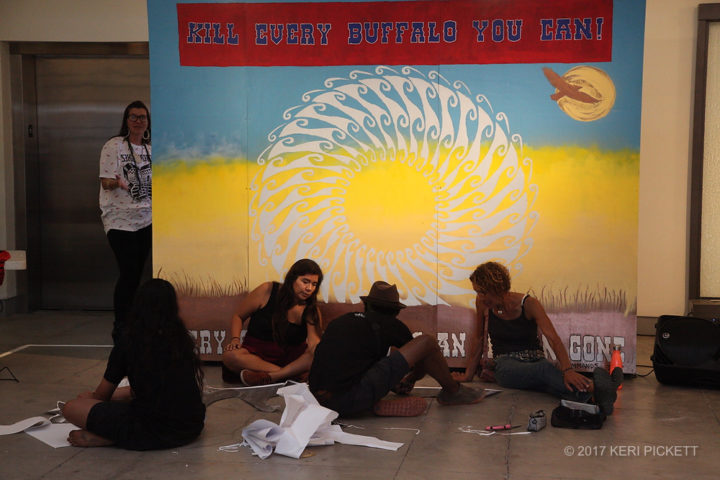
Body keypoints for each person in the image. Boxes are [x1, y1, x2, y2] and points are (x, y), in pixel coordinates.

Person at [457, 261, 622, 414]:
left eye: (483, 292)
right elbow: (479, 339)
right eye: (478, 292)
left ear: (497, 288)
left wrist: (568, 370)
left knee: (547, 382)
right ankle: (595, 387)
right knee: (545, 371)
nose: (480, 296)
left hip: (535, 359)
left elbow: (553, 338)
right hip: (506, 366)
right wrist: (468, 375)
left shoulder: (529, 304)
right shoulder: (482, 303)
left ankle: (593, 399)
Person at [61, 279, 205, 450]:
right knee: (122, 396)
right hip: (190, 427)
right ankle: (118, 436)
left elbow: (102, 396)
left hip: (151, 428)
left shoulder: (129, 340)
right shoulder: (181, 338)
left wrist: (89, 398)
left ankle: (112, 438)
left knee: (72, 407)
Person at [309, 281, 484, 418]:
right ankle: (453, 391)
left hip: (317, 398)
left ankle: (369, 404)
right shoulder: (392, 325)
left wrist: (392, 382)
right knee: (427, 342)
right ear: (395, 312)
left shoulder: (344, 320)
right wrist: (412, 378)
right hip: (348, 398)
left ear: (367, 305)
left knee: (383, 359)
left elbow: (349, 364)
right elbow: (422, 356)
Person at [99, 100, 153, 344]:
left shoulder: (152, 149)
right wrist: (121, 183)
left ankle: (134, 321)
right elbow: (105, 181)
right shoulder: (114, 145)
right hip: (119, 218)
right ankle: (121, 325)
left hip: (147, 217)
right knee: (129, 271)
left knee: (138, 273)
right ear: (126, 120)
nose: (138, 121)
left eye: (142, 117)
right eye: (133, 117)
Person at [222, 259, 324, 386]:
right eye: (305, 282)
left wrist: (319, 354)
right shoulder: (267, 290)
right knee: (230, 356)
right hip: (257, 356)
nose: (309, 288)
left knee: (314, 355)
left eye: (314, 284)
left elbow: (314, 342)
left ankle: (270, 377)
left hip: (290, 359)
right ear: (292, 279)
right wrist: (235, 339)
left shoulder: (311, 309)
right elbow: (238, 316)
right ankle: (288, 376)